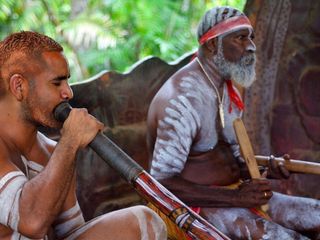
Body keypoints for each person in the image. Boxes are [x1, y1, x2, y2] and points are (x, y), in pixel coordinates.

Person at [147, 6, 320, 240]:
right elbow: (162, 185)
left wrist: (266, 170)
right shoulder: (182, 99)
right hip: (189, 208)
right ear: (212, 45)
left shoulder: (226, 89)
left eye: (251, 37)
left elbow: (228, 162)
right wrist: (238, 198)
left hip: (233, 195)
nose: (251, 46)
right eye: (240, 38)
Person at [0, 31, 167, 240]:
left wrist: (66, 148)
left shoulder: (53, 153)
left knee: (144, 221)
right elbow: (32, 222)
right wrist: (69, 142)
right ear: (19, 86)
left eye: (67, 82)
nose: (68, 93)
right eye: (56, 83)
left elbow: (72, 232)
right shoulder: (61, 150)